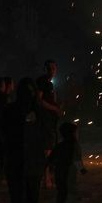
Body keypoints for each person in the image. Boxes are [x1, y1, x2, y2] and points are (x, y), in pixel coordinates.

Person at [3, 78, 46, 203]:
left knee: (20, 200)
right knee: (30, 200)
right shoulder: (38, 112)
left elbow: (5, 136)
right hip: (30, 164)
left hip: (19, 163)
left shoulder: (12, 111)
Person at [49, 122, 87, 203]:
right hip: (69, 173)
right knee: (71, 193)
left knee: (61, 193)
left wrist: (51, 168)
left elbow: (51, 158)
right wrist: (82, 169)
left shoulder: (60, 145)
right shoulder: (74, 145)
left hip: (59, 172)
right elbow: (77, 159)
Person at [37, 60, 62, 189]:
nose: (52, 71)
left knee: (51, 148)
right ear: (45, 69)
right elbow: (39, 101)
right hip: (45, 121)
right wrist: (54, 109)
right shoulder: (42, 82)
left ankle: (48, 177)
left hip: (51, 121)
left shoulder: (49, 84)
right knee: (47, 149)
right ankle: (46, 178)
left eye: (54, 68)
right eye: (49, 68)